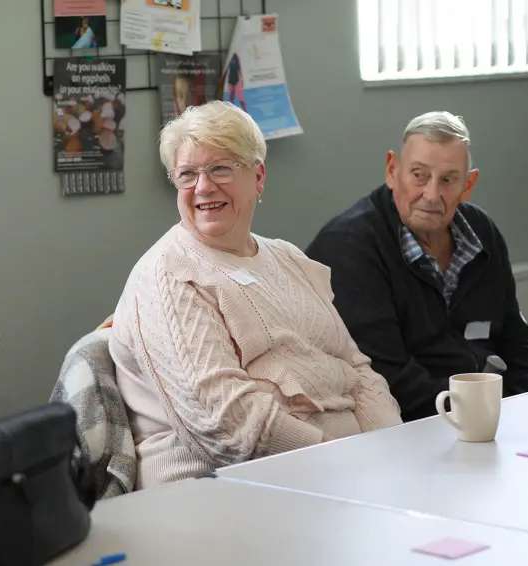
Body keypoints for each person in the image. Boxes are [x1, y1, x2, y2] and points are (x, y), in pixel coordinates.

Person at [109, 101, 402, 490]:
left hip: (340, 474)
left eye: (220, 168)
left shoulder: (288, 259)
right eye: (187, 175)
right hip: (216, 494)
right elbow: (224, 423)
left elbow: (358, 371)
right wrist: (342, 462)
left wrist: (392, 451)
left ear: (258, 175)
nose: (203, 187)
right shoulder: (168, 274)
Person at [305, 111, 528, 423]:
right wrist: (480, 416)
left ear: (468, 184)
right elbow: (387, 378)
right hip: (405, 426)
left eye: (448, 180)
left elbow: (516, 347)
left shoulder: (481, 232)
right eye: (419, 175)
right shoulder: (350, 245)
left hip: (484, 417)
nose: (432, 195)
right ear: (393, 170)